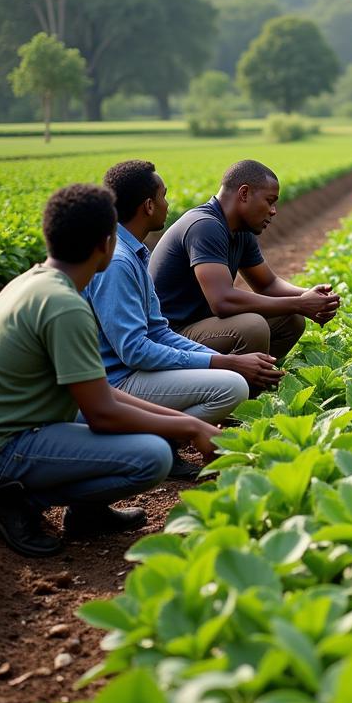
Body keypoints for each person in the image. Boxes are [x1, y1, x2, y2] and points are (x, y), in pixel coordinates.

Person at [0, 184, 221, 557]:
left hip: (7, 430)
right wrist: (190, 426)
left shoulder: (38, 282)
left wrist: (186, 423)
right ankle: (21, 504)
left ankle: (88, 513)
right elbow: (103, 413)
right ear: (106, 244)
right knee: (152, 456)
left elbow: (100, 394)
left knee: (146, 439)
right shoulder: (65, 306)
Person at [86, 160, 282, 479]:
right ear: (148, 206)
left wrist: (220, 359)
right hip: (117, 382)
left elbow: (158, 331)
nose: (168, 203)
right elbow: (134, 351)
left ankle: (167, 434)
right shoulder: (119, 263)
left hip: (135, 370)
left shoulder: (133, 253)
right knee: (230, 387)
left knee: (231, 380)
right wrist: (223, 364)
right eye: (164, 195)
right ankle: (160, 441)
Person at [150, 159, 340, 359]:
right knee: (252, 327)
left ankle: (258, 381)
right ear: (244, 193)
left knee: (290, 319)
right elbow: (222, 301)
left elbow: (268, 284)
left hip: (201, 325)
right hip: (170, 335)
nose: (274, 210)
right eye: (269, 200)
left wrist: (309, 296)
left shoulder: (240, 231)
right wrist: (299, 303)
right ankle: (231, 387)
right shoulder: (205, 226)